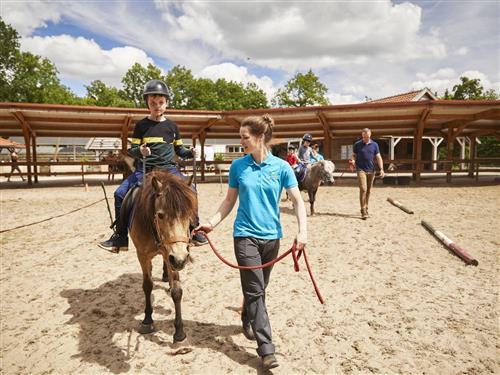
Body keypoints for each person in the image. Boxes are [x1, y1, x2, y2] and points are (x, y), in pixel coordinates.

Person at [196, 115, 307, 371]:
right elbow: (228, 201)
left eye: (244, 137)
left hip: (272, 238)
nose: (241, 142)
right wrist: (212, 222)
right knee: (256, 291)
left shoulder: (282, 167)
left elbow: (298, 202)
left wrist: (303, 233)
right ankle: (266, 349)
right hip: (244, 236)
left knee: (259, 289)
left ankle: (246, 314)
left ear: (260, 137)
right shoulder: (238, 167)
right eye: (240, 137)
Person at [99, 79, 207, 252]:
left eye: (161, 103)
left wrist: (190, 152)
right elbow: (133, 150)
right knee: (119, 194)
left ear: (167, 103)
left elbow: (180, 150)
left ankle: (194, 230)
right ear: (147, 104)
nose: (157, 106)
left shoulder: (172, 126)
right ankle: (120, 237)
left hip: (169, 169)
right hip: (145, 171)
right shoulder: (141, 126)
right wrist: (140, 150)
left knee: (191, 189)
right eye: (153, 103)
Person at [351, 128, 385, 220]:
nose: (366, 138)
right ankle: (363, 211)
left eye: (367, 136)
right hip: (360, 169)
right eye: (364, 137)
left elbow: (378, 157)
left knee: (369, 190)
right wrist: (353, 161)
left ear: (370, 135)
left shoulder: (375, 145)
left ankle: (366, 207)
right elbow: (354, 155)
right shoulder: (357, 144)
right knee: (363, 189)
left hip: (371, 170)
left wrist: (381, 169)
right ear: (362, 135)